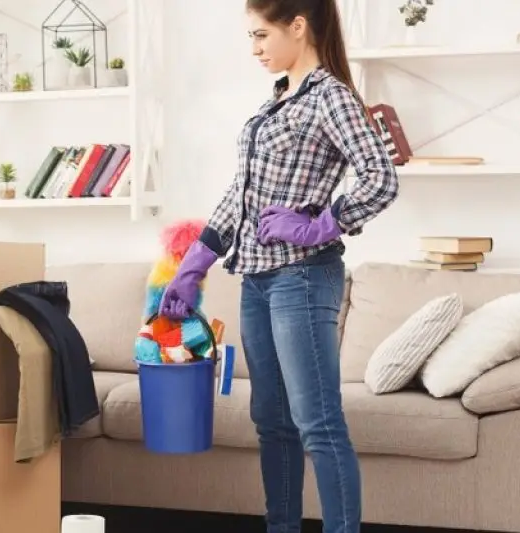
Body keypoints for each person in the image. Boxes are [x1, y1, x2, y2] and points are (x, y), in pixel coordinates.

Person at [158, 0, 399, 532]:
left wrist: (319, 225)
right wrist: (197, 260)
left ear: (298, 26)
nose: (254, 49)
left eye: (261, 35)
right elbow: (241, 196)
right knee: (271, 421)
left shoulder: (330, 96)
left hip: (304, 278)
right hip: (258, 281)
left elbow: (381, 178)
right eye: (249, 37)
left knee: (318, 423)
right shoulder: (277, 99)